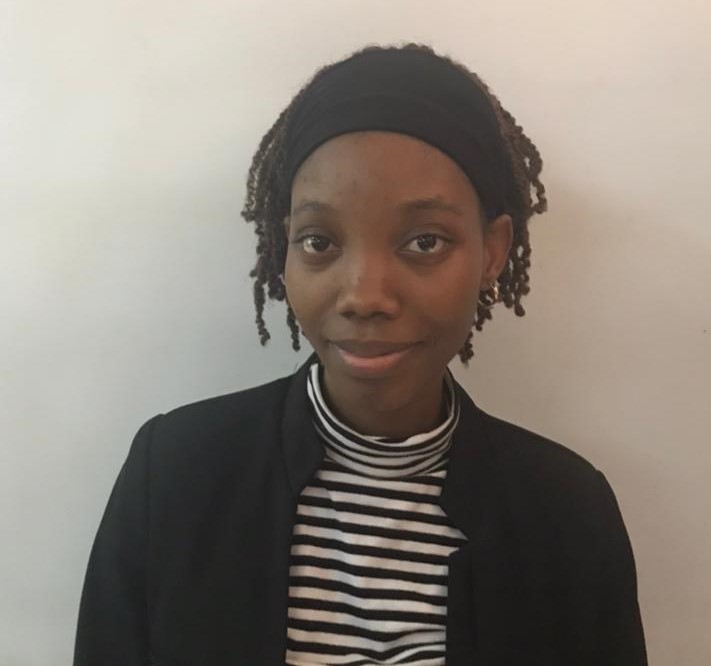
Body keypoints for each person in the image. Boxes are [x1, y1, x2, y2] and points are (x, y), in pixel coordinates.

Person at [74, 43, 647, 665]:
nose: (365, 296)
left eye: (424, 241)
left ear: (491, 252)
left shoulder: (567, 515)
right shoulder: (174, 476)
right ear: (284, 250)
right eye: (319, 241)